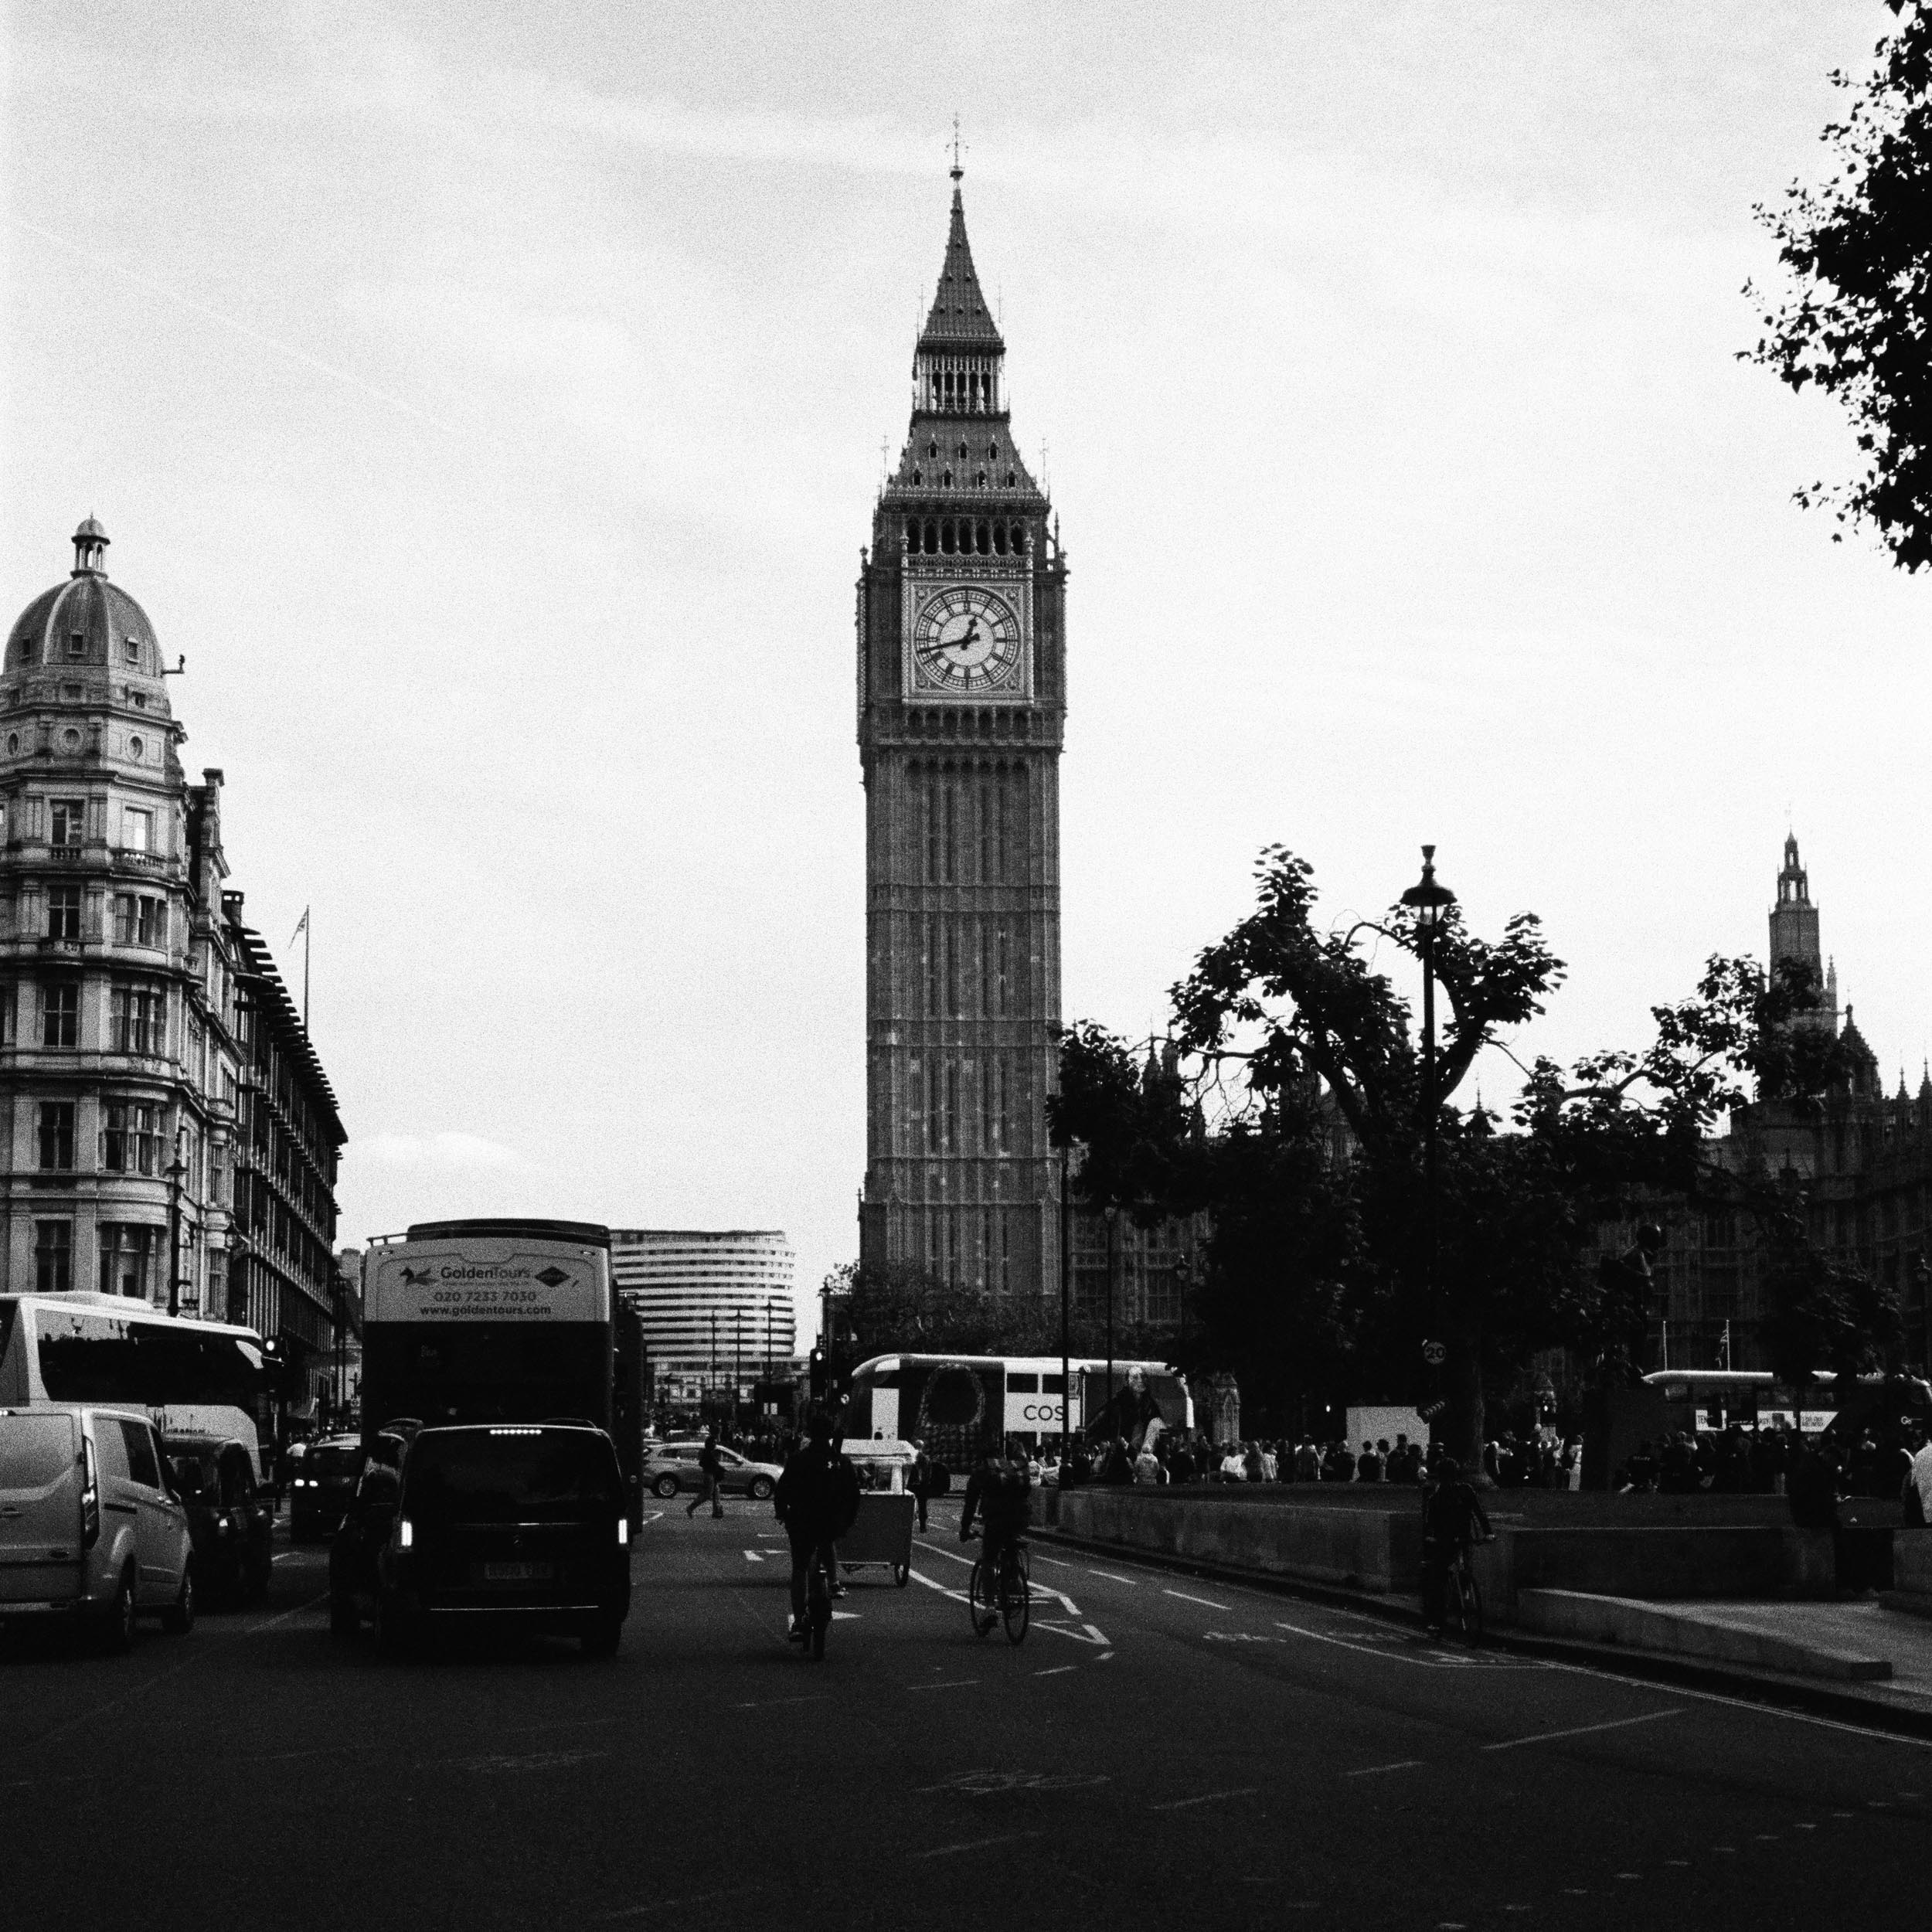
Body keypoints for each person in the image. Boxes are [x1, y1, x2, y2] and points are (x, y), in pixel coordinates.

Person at [774, 1410, 862, 1643]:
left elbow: (782, 1491)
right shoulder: (841, 1462)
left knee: (800, 1569)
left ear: (810, 1433)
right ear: (831, 1433)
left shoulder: (798, 1459)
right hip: (831, 1521)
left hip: (802, 1522)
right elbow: (853, 1495)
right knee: (827, 1543)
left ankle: (799, 1621)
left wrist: (782, 1513)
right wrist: (847, 1521)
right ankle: (834, 1582)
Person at [960, 1437, 1033, 1620]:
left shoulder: (981, 1473)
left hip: (996, 1518)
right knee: (1011, 1545)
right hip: (1021, 1517)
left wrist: (965, 1529)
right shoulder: (1015, 1469)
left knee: (989, 1559)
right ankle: (1015, 1579)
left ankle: (990, 1608)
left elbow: (970, 1504)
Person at [1420, 1454, 1492, 1638]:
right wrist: (1488, 1532)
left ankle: (1438, 1619)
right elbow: (1479, 1513)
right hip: (1459, 1538)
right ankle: (1456, 1602)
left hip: (1449, 1540)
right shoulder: (1462, 1491)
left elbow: (1430, 1524)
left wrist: (1431, 1537)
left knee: (1441, 1579)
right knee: (1446, 1575)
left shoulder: (1438, 1497)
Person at [687, 1427, 726, 1519]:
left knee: (716, 1492)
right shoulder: (709, 1450)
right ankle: (691, 1508)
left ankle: (717, 1512)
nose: (715, 1445)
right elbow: (708, 1463)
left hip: (711, 1474)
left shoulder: (709, 1449)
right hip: (709, 1474)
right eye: (714, 1444)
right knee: (707, 1494)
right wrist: (718, 1467)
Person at [909, 1439, 933, 1533]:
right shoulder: (926, 1459)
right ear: (922, 1447)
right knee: (922, 1506)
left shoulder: (910, 1457)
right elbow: (928, 1474)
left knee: (910, 1504)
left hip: (912, 1484)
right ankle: (923, 1527)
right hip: (923, 1486)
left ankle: (909, 1525)